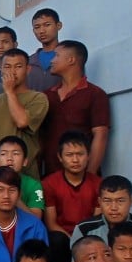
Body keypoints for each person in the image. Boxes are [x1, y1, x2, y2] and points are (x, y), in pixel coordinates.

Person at [41, 40, 110, 176]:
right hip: (51, 176)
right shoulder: (46, 96)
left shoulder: (95, 94)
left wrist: (90, 175)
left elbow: (100, 135)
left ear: (71, 60)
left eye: (56, 56)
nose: (52, 61)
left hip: (83, 175)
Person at [43, 131, 101, 262]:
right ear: (60, 157)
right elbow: (51, 223)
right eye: (69, 155)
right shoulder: (49, 183)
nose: (75, 159)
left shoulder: (97, 184)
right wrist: (73, 241)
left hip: (88, 236)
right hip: (63, 239)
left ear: (88, 155)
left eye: (80, 154)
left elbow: (96, 221)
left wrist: (81, 241)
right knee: (56, 240)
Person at [0, 49, 49, 178]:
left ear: (28, 69)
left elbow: (22, 121)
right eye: (7, 67)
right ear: (1, 70)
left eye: (18, 67)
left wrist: (9, 91)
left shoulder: (38, 98)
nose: (12, 72)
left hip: (26, 174)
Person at [0, 136, 45, 217]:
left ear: (25, 161)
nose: (9, 158)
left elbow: (36, 219)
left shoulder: (33, 185)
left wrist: (14, 197)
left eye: (15, 154)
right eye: (3, 154)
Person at [27, 8, 64, 92]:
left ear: (59, 25)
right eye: (37, 27)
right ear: (33, 31)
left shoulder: (69, 57)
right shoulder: (29, 62)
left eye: (47, 25)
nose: (42, 31)